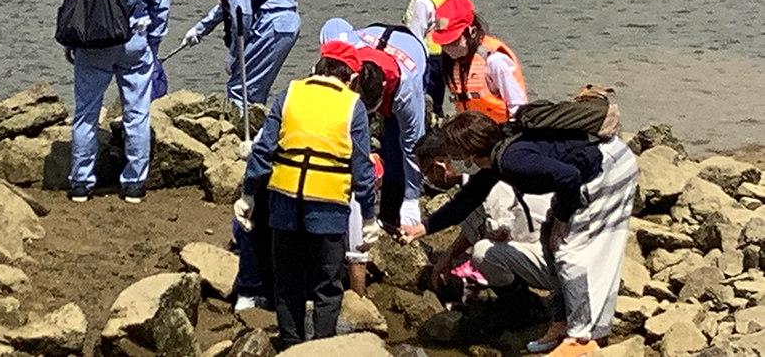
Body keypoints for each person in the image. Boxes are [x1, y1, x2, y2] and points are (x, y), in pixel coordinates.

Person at [401, 111, 639, 357]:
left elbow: (569, 177)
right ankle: (561, 322)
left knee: (571, 251)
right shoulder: (492, 160)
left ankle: (583, 337)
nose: (452, 160)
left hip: (608, 169)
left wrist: (562, 219)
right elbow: (465, 201)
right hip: (588, 169)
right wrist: (423, 228)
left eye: (455, 154)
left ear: (469, 151)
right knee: (551, 239)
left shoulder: (512, 161)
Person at [233, 40, 379, 348]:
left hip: (284, 205)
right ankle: (321, 347)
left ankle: (290, 343)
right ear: (351, 77)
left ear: (319, 66)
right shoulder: (353, 106)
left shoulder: (289, 95)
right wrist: (369, 217)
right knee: (327, 286)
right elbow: (362, 168)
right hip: (328, 211)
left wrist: (248, 195)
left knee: (288, 282)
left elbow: (263, 152)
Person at [65, 0, 170, 203]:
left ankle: (81, 183)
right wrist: (152, 45)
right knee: (137, 114)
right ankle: (134, 185)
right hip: (135, 41)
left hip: (94, 42)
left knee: (86, 113)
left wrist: (73, 43)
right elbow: (160, 6)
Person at [415, 129, 551, 327]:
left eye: (426, 172)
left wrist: (471, 267)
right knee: (482, 249)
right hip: (545, 245)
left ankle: (524, 311)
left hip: (553, 259)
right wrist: (448, 257)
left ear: (440, 166)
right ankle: (521, 303)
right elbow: (475, 224)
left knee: (483, 253)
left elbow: (500, 230)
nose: (427, 179)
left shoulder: (490, 183)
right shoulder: (482, 174)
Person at [319, 18, 427, 228]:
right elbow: (333, 24)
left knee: (397, 150)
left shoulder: (407, 92)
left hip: (411, 50)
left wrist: (412, 198)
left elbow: (414, 146)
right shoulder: (346, 52)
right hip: (370, 37)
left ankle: (389, 216)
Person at [432, 0, 527, 123]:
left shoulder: (495, 61)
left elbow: (517, 106)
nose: (447, 47)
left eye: (453, 41)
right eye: (443, 43)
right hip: (472, 132)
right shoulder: (453, 62)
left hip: (501, 131)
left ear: (472, 32)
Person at [401, 0, 454, 117]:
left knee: (423, 103)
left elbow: (415, 35)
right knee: (438, 102)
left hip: (427, 59)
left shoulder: (423, 1)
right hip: (448, 57)